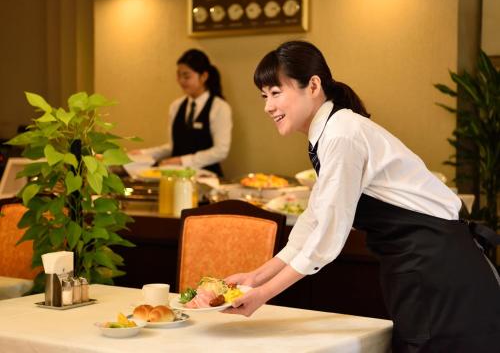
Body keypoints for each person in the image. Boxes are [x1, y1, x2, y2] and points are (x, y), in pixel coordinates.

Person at [224, 40, 500, 352]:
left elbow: (327, 237)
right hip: (422, 265)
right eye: (264, 96)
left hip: (439, 269)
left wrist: (263, 295)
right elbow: (313, 220)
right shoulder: (330, 132)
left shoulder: (342, 133)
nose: (268, 106)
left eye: (276, 93)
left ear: (313, 85)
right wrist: (255, 278)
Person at [134, 49, 232, 177]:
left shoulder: (219, 107)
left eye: (186, 76)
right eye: (179, 75)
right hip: (177, 176)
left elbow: (220, 151)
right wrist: (143, 153)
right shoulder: (176, 106)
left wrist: (182, 161)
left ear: (204, 76)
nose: (181, 81)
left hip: (206, 177)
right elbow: (173, 147)